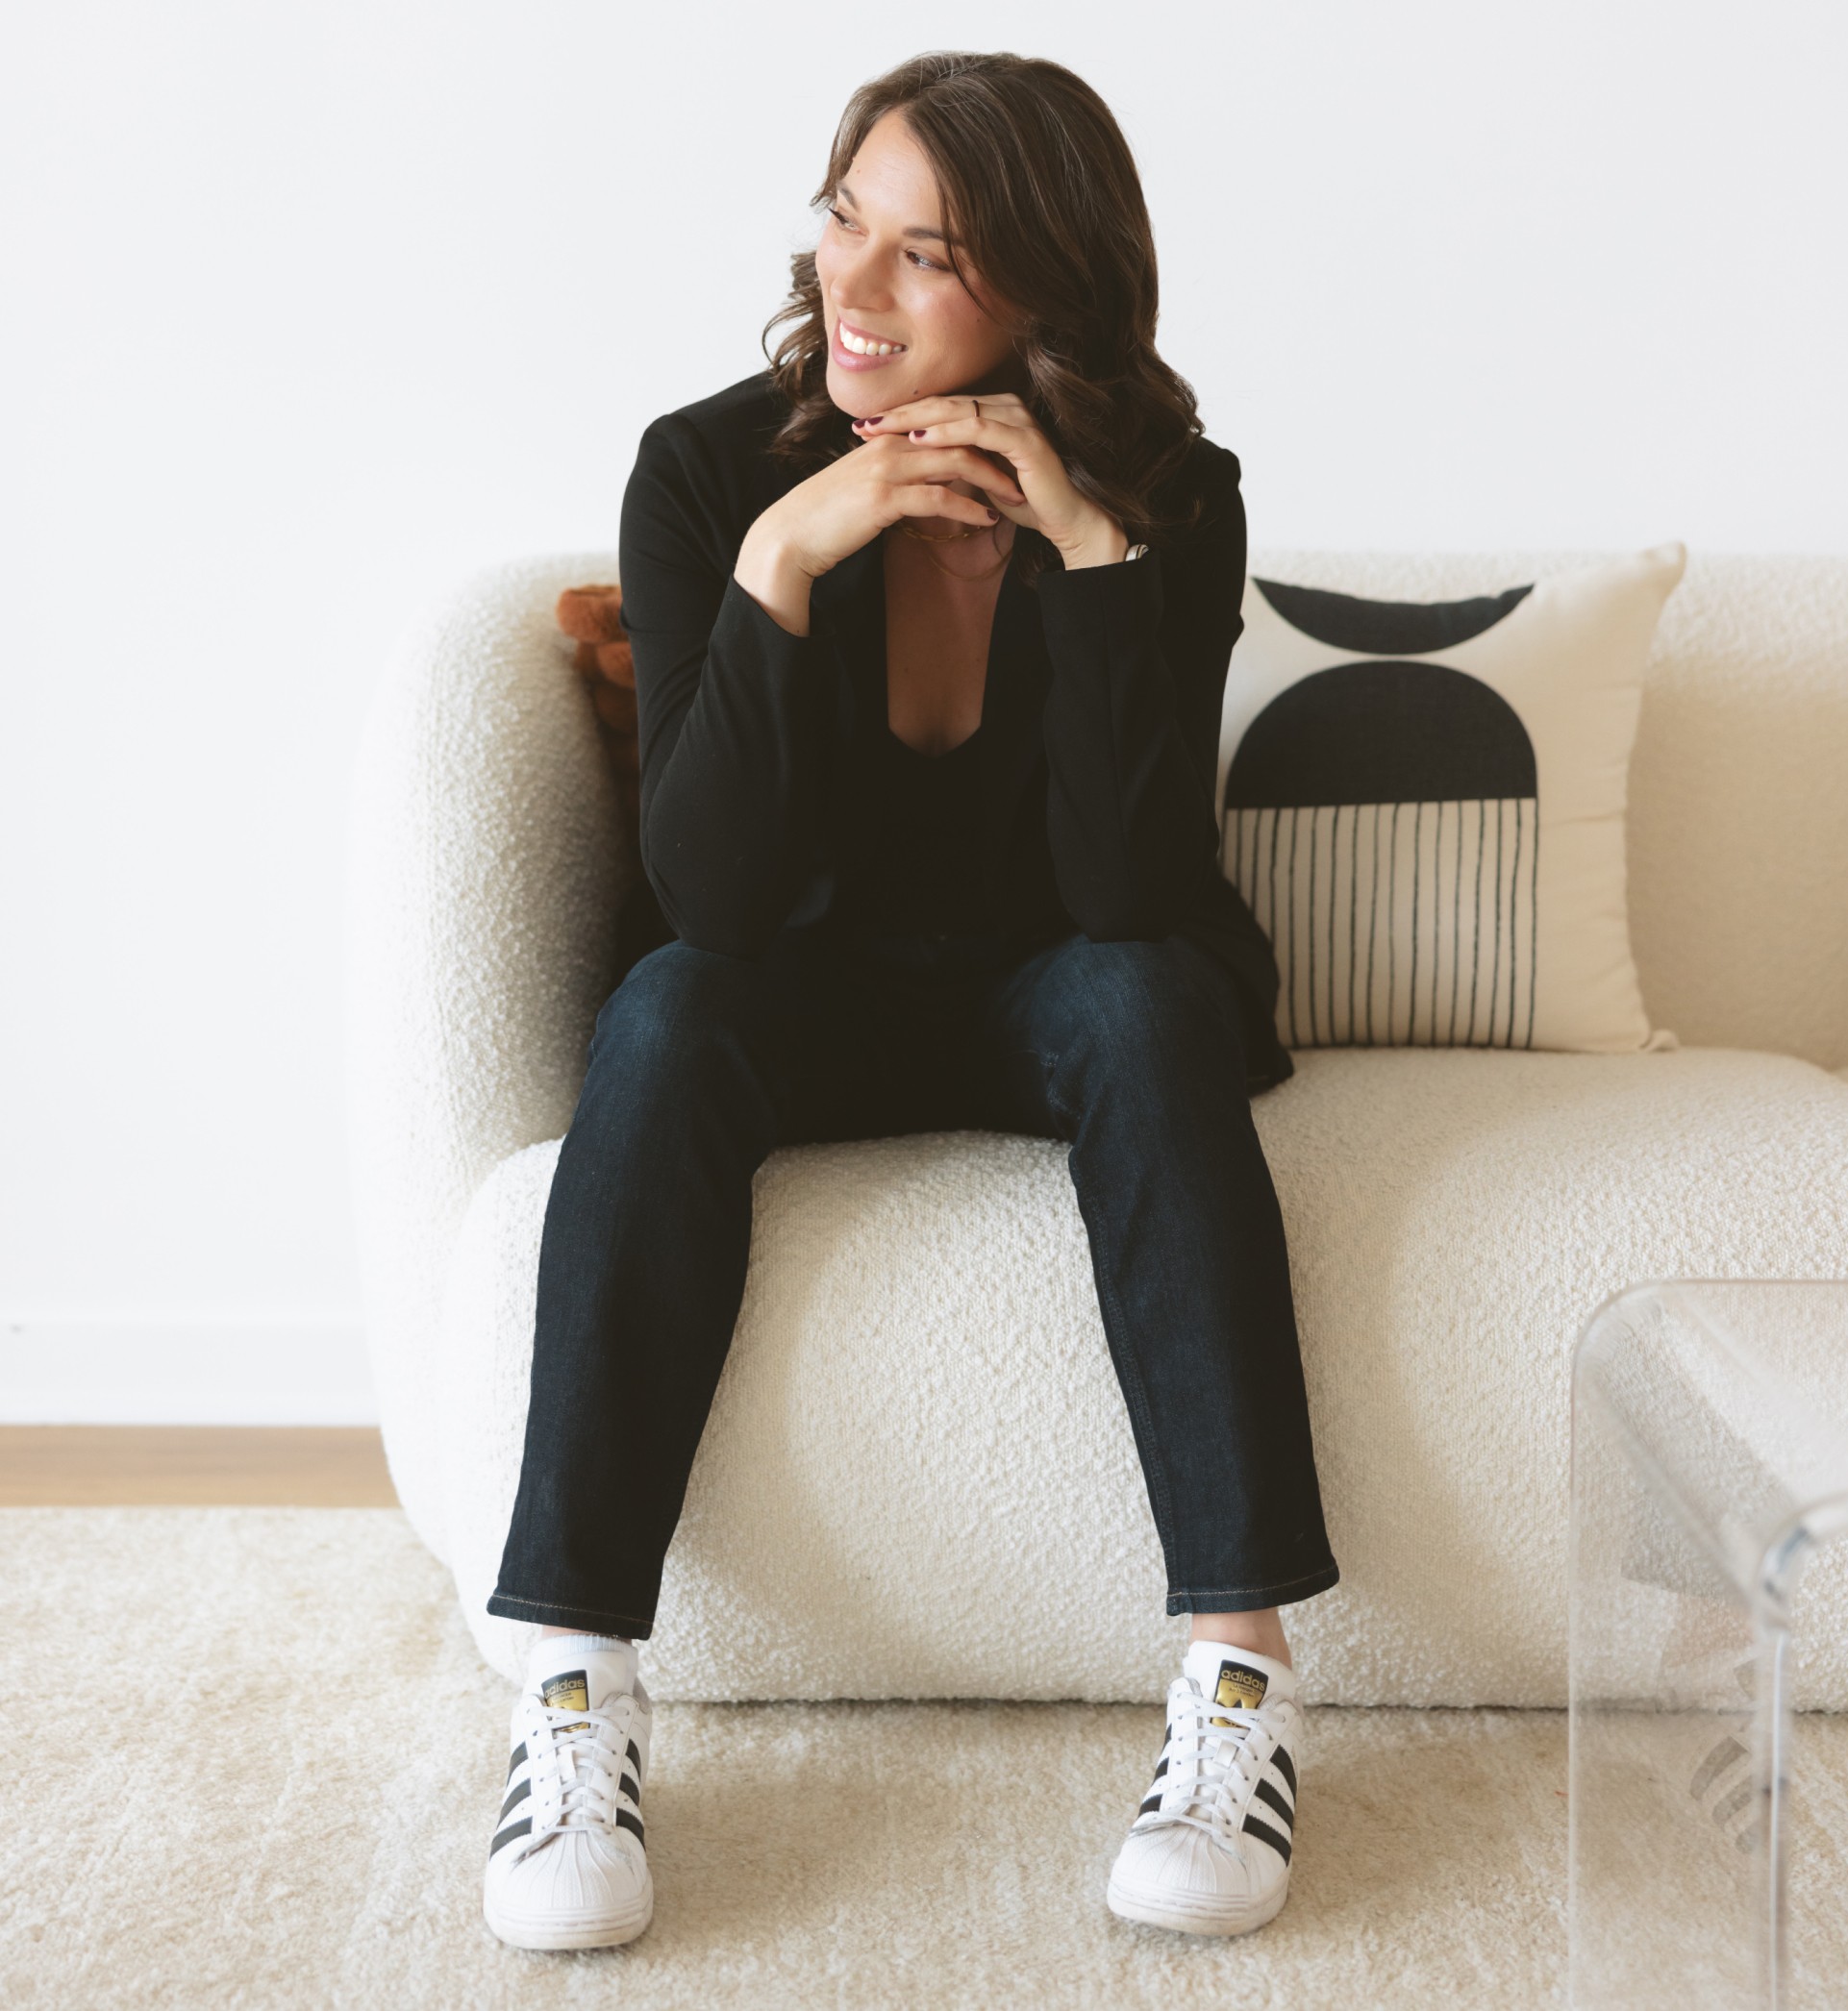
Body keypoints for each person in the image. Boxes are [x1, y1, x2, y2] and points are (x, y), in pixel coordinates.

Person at [478, 48, 1340, 1953]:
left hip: (1063, 988)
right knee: (670, 1007)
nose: (854, 288)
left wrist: (1100, 565)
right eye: (844, 219)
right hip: (815, 991)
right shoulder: (708, 471)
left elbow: (1130, 887)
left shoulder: (1174, 496)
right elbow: (714, 893)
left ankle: (1239, 1686)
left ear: (1046, 291)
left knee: (1137, 997)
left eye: (927, 255)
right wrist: (785, 563)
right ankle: (568, 1689)